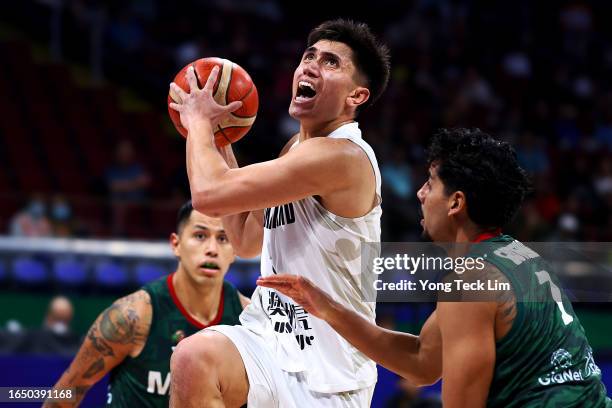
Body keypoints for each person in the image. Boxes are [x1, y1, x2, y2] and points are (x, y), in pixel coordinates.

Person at [258, 129, 612, 407]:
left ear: (456, 202)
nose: (420, 194)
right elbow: (421, 361)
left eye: (430, 183)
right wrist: (326, 308)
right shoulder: (518, 257)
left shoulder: (470, 283)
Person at [169, 19, 390, 407]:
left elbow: (209, 195)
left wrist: (199, 122)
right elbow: (244, 239)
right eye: (308, 56)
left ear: (357, 96)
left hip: (329, 376)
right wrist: (220, 139)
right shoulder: (294, 150)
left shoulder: (342, 156)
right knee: (192, 357)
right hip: (267, 341)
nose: (310, 66)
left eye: (331, 62)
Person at [44, 201, 249, 407]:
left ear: (235, 250)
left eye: (223, 238)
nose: (212, 249)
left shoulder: (248, 319)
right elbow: (65, 393)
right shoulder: (131, 316)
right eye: (200, 236)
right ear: (176, 244)